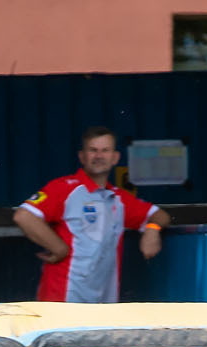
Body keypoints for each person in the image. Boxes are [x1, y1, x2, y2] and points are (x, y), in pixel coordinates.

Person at [14, 126, 167, 304]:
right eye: (93, 150)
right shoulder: (65, 188)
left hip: (103, 305)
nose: (99, 156)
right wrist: (59, 249)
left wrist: (152, 229)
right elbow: (24, 216)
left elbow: (160, 216)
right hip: (61, 300)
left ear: (115, 157)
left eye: (105, 150)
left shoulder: (118, 198)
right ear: (82, 156)